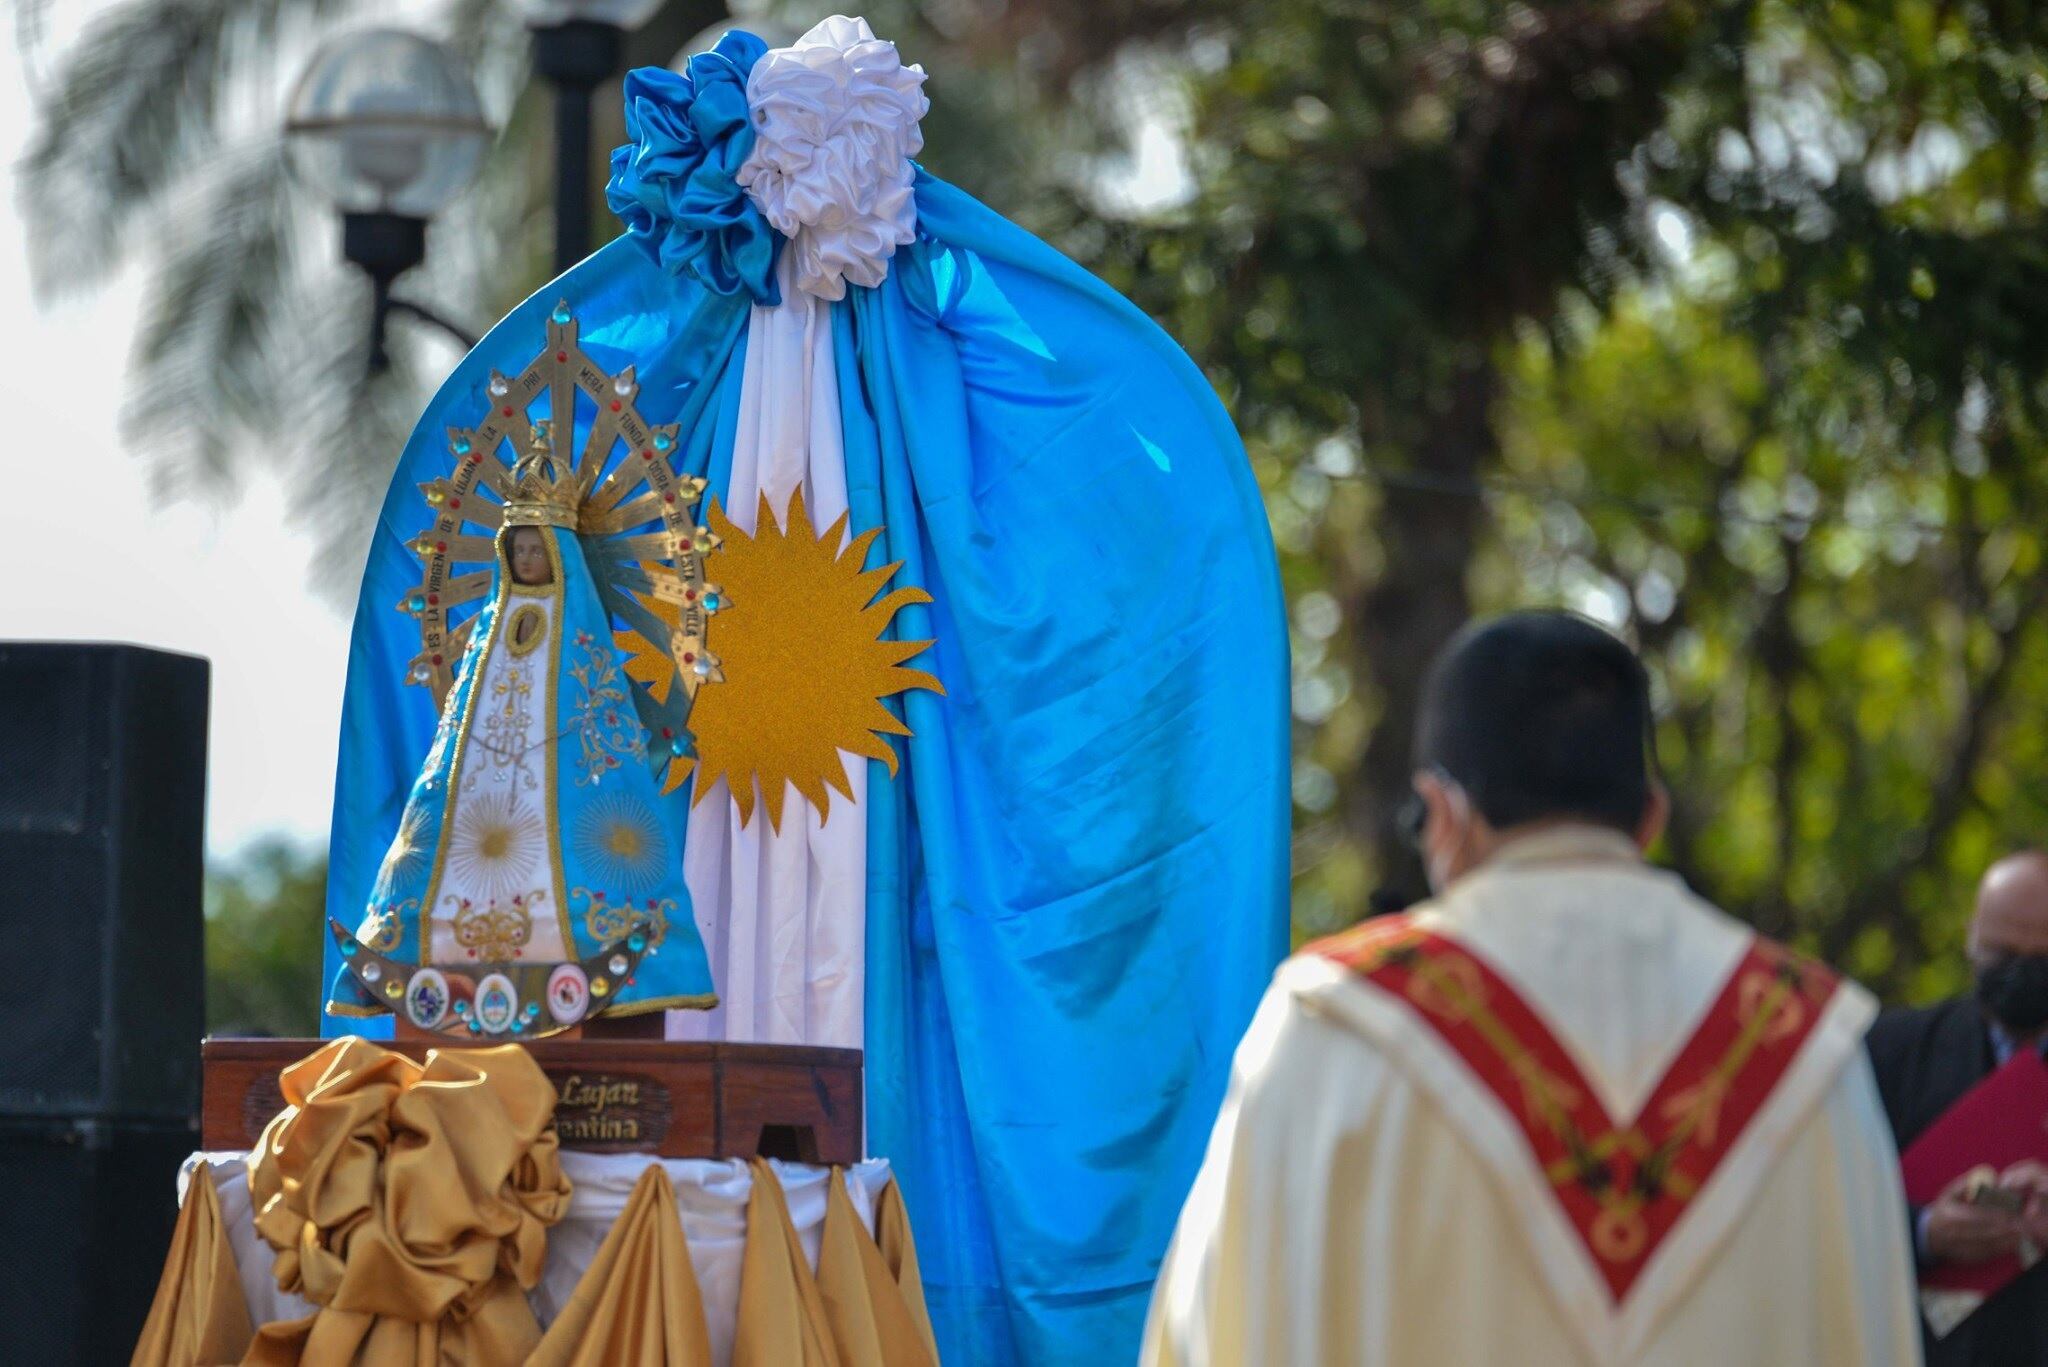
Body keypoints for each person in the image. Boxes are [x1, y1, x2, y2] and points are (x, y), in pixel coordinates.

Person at [1142, 610, 1920, 1366]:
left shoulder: (1324, 1031)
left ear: (1442, 814)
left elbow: (1218, 1331)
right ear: (1648, 816)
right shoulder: (1809, 1049)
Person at [1867, 851, 2048, 1365]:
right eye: (2003, 953)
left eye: (2042, 959)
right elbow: (1829, 1208)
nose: (2021, 975)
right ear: (1972, 938)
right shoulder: (1891, 1051)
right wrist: (1927, 1230)